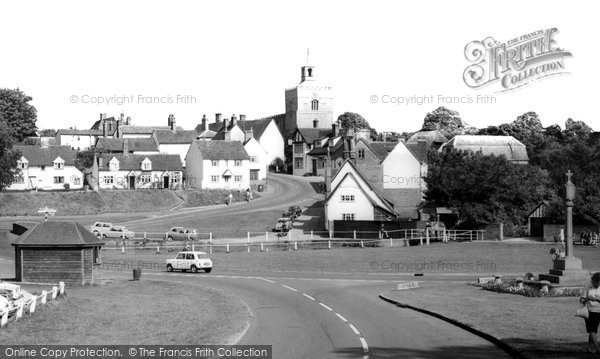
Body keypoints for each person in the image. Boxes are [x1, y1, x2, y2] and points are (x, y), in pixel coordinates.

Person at [581, 272, 600, 353]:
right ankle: (598, 349)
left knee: (593, 331)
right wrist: (587, 299)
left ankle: (589, 348)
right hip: (589, 311)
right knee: (592, 331)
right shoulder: (587, 287)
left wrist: (597, 299)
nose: (597, 284)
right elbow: (581, 300)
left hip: (599, 311)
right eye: (596, 282)